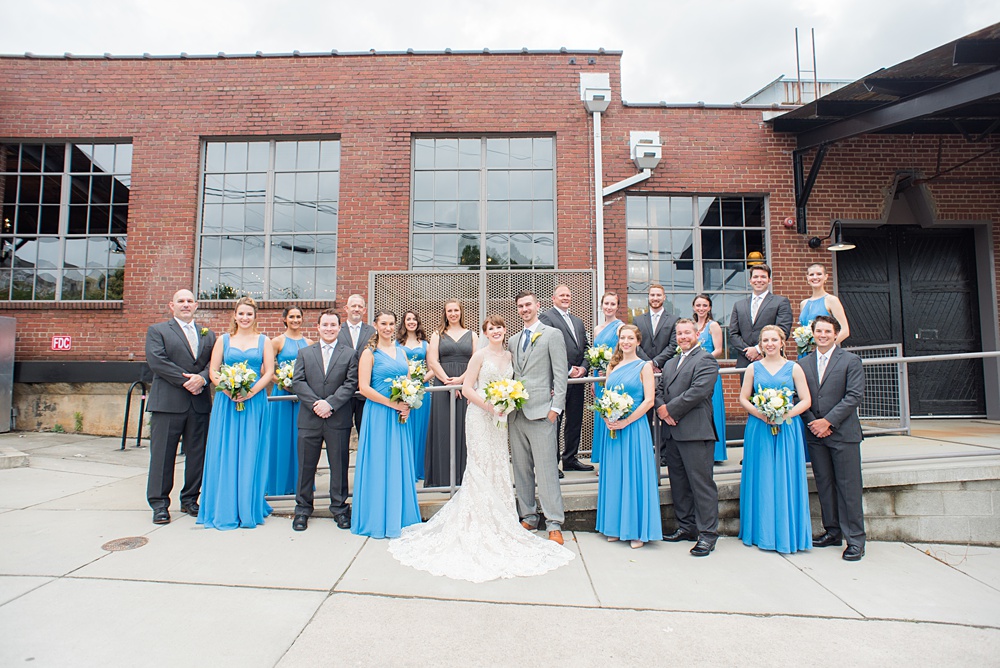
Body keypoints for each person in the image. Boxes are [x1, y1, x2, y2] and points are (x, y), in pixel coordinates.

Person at [388, 315, 575, 582]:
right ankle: (478, 518)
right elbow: (466, 388)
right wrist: (489, 406)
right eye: (491, 329)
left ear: (505, 330)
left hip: (501, 420)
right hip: (479, 416)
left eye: (500, 327)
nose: (496, 331)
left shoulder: (511, 356)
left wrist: (506, 404)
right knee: (479, 465)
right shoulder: (479, 356)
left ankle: (504, 519)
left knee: (499, 464)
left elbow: (517, 384)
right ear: (485, 333)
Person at [198, 297, 275, 530]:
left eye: (249, 314)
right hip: (226, 401)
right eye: (241, 314)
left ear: (255, 316)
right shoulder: (223, 340)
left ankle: (247, 505)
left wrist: (250, 392)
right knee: (226, 450)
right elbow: (213, 370)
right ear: (234, 315)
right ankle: (223, 506)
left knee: (251, 451)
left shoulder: (264, 341)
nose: (244, 318)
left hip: (254, 401)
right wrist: (228, 388)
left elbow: (269, 372)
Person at [737, 325, 812, 553]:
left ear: (782, 343)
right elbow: (743, 398)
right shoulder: (753, 368)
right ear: (761, 344)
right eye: (765, 340)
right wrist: (762, 414)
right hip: (759, 427)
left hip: (787, 428)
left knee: (785, 476)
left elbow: (805, 400)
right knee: (761, 476)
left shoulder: (794, 368)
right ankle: (761, 532)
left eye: (774, 340)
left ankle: (787, 532)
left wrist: (784, 415)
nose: (769, 344)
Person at [145, 289, 216, 524]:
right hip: (168, 403)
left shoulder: (208, 334)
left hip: (199, 404)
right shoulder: (158, 331)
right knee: (163, 456)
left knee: (197, 455)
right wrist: (189, 381)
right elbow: (158, 361)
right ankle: (160, 504)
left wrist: (203, 378)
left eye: (189, 301)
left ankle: (190, 500)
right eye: (181, 301)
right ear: (171, 306)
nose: (185, 305)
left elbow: (213, 364)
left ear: (196, 306)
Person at [799, 315, 867, 561]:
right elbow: (799, 397)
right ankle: (832, 531)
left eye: (828, 331)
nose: (823, 335)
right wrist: (813, 423)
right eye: (819, 331)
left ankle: (856, 540)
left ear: (836, 334)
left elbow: (854, 396)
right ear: (813, 334)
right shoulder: (803, 363)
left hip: (843, 434)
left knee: (848, 487)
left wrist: (828, 421)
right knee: (824, 484)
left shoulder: (850, 360)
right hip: (815, 434)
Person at [351, 310, 421, 538]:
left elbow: (409, 383)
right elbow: (364, 388)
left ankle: (400, 516)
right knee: (379, 462)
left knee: (398, 462)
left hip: (400, 416)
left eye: (391, 324)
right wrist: (394, 404)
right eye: (383, 323)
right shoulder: (369, 354)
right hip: (379, 414)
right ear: (375, 325)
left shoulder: (402, 352)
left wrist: (408, 403)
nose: (388, 328)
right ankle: (377, 518)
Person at [656, 319, 721, 557]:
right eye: (680, 333)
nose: (683, 337)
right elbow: (659, 389)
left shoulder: (705, 359)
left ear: (697, 335)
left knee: (701, 484)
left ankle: (707, 534)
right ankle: (686, 526)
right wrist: (662, 408)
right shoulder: (672, 362)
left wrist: (669, 410)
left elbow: (699, 391)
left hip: (695, 431)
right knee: (679, 482)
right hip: (672, 433)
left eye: (687, 333)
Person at [290, 309, 359, 532]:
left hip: (337, 418)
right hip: (309, 418)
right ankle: (302, 509)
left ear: (340, 328)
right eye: (325, 325)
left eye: (333, 325)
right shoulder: (304, 353)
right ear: (317, 327)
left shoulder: (349, 354)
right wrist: (316, 404)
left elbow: (350, 383)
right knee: (306, 466)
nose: (329, 329)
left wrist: (330, 403)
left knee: (338, 466)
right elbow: (298, 382)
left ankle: (339, 508)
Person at [595, 324, 662, 548]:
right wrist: (606, 416)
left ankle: (636, 530)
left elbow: (649, 401)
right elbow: (606, 396)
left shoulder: (644, 366)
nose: (626, 342)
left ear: (638, 341)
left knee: (634, 475)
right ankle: (614, 526)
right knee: (615, 474)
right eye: (623, 338)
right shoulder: (613, 366)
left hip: (634, 428)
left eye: (630, 338)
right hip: (613, 428)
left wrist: (626, 421)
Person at [509, 291, 568, 545]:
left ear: (538, 305)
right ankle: (529, 516)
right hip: (516, 414)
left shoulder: (552, 335)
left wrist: (556, 408)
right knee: (521, 470)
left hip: (543, 412)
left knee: (546, 471)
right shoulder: (512, 340)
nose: (524, 309)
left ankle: (554, 522)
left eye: (528, 305)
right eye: (520, 306)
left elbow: (560, 374)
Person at [539, 284, 594, 473]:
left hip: (578, 381)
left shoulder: (577, 321)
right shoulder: (546, 317)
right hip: (558, 380)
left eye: (568, 295)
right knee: (555, 422)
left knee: (575, 420)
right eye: (561, 295)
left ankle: (570, 458)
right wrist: (569, 369)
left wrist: (584, 368)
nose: (565, 298)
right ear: (553, 298)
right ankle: (552, 464)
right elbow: (547, 347)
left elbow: (586, 347)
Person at [425, 300, 476, 487]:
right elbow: (432, 360)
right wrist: (447, 381)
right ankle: (441, 478)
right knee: (443, 428)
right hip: (442, 385)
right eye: (449, 311)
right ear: (445, 313)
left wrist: (461, 380)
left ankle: (464, 478)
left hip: (466, 385)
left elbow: (475, 361)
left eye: (456, 310)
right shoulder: (437, 334)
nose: (453, 313)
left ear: (461, 312)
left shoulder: (472, 335)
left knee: (464, 428)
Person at [264, 306, 312, 497]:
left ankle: (301, 482)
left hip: (302, 397)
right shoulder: (277, 342)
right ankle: (279, 483)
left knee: (302, 438)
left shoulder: (309, 342)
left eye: (298, 316)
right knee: (281, 436)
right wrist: (282, 381)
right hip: (282, 396)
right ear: (284, 319)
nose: (295, 319)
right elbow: (265, 369)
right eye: (291, 316)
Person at [729, 264, 793, 368]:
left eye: (763, 277)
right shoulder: (739, 305)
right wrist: (749, 352)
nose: (759, 280)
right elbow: (733, 334)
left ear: (769, 280)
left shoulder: (781, 302)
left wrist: (758, 349)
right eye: (755, 277)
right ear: (750, 280)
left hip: (771, 360)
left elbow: (783, 331)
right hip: (745, 361)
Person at [398, 310, 434, 482]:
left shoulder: (425, 344)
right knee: (405, 428)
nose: (411, 322)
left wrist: (419, 382)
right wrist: (407, 384)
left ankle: (419, 469)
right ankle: (405, 470)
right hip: (404, 390)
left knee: (421, 428)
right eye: (408, 319)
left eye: (414, 319)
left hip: (422, 390)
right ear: (404, 323)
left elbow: (433, 367)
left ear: (418, 322)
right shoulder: (398, 344)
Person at [692, 294, 728, 464]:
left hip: (709, 370)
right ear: (693, 307)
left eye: (704, 305)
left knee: (713, 408)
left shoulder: (713, 326)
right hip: (693, 372)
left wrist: (701, 360)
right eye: (698, 305)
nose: (701, 308)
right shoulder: (691, 326)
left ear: (709, 308)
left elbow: (719, 350)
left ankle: (716, 453)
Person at [590, 291, 624, 465]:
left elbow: (623, 353)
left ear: (617, 307)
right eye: (606, 304)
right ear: (601, 305)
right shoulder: (597, 329)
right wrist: (594, 377)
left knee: (613, 413)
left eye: (612, 304)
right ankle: (602, 458)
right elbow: (594, 355)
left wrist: (610, 369)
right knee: (601, 416)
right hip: (599, 376)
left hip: (613, 375)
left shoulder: (620, 328)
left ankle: (613, 459)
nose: (609, 307)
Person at [337, 294, 376, 434]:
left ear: (364, 310)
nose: (357, 309)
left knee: (365, 432)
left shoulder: (372, 332)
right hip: (341, 390)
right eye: (353, 306)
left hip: (364, 393)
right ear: (346, 308)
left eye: (360, 306)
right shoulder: (336, 330)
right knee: (341, 435)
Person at [798, 263, 851, 354]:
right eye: (811, 274)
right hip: (806, 353)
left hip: (825, 352)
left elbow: (845, 330)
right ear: (807, 278)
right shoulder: (803, 303)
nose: (815, 277)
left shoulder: (831, 300)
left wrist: (825, 347)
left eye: (819, 274)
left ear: (826, 277)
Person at [633, 283, 679, 370]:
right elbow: (635, 344)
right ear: (648, 297)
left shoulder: (674, 320)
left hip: (666, 369)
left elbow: (673, 345)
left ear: (664, 297)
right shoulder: (638, 320)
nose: (655, 298)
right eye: (652, 295)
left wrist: (656, 362)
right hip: (642, 368)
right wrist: (648, 364)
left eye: (658, 295)